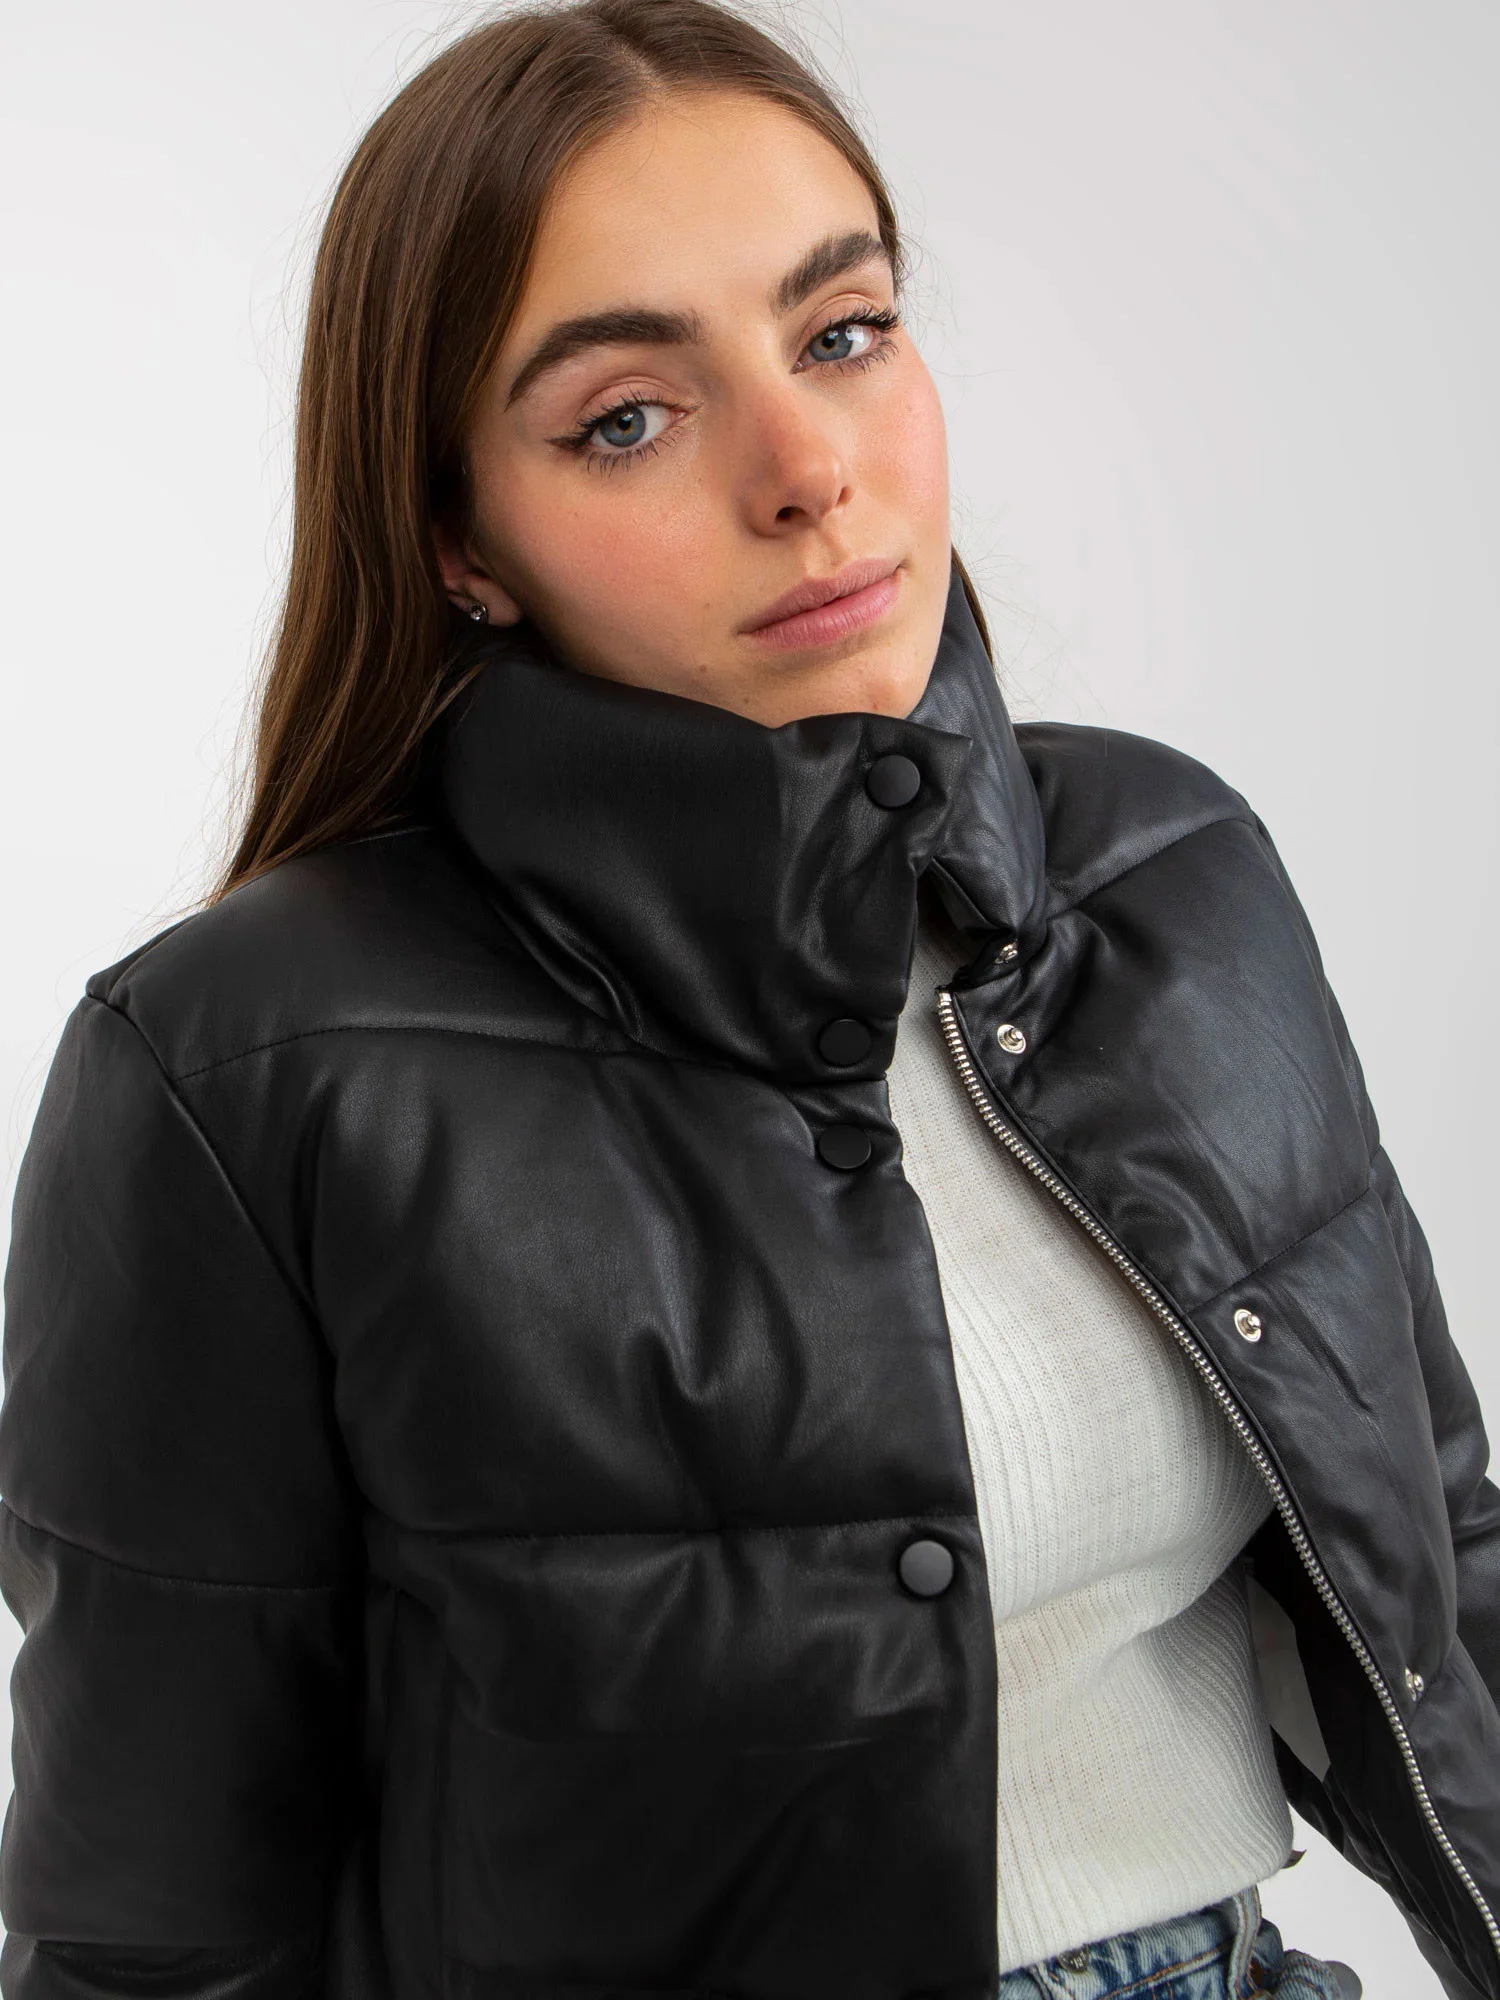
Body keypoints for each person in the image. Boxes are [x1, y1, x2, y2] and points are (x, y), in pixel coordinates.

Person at [0, 3, 1494, 1997]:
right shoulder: (237, 1074)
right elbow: (155, 1928)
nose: (806, 472)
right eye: (628, 417)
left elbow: (1446, 1560)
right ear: (459, 540)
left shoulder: (1171, 870)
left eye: (843, 332)